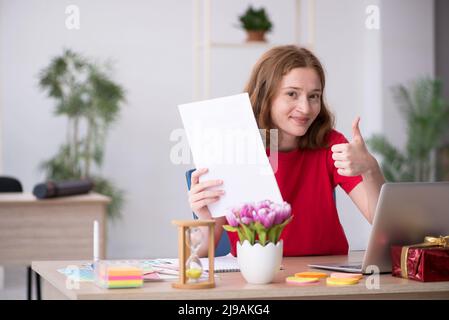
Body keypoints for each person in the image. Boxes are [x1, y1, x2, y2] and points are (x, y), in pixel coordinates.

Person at [188, 45, 385, 258]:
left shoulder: (330, 144)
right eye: (292, 94)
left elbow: (381, 220)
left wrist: (370, 168)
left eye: (314, 96)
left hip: (327, 276)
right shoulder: (234, 146)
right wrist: (204, 217)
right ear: (266, 96)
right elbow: (201, 254)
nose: (306, 108)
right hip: (259, 279)